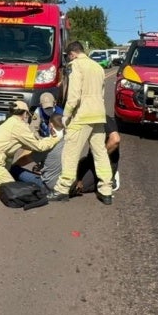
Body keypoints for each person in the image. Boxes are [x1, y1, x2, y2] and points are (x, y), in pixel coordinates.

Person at [51, 41, 115, 205]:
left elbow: (74, 95)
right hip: (98, 114)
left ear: (72, 54)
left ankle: (62, 189)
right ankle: (106, 190)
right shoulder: (98, 67)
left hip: (82, 115)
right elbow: (101, 93)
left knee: (70, 153)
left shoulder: (75, 65)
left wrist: (66, 114)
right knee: (100, 153)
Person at [0, 101, 61, 197]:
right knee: (14, 191)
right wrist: (55, 138)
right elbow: (40, 146)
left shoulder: (10, 122)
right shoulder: (19, 126)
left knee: (12, 186)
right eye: (27, 114)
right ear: (25, 113)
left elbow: (25, 144)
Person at [11, 113, 66, 193]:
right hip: (67, 185)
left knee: (14, 169)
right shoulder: (71, 142)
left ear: (51, 125)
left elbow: (25, 160)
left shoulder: (48, 144)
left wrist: (14, 165)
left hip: (49, 186)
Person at [72, 115, 121, 196]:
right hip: (91, 159)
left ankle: (111, 180)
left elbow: (115, 140)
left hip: (104, 164)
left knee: (78, 187)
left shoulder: (104, 119)